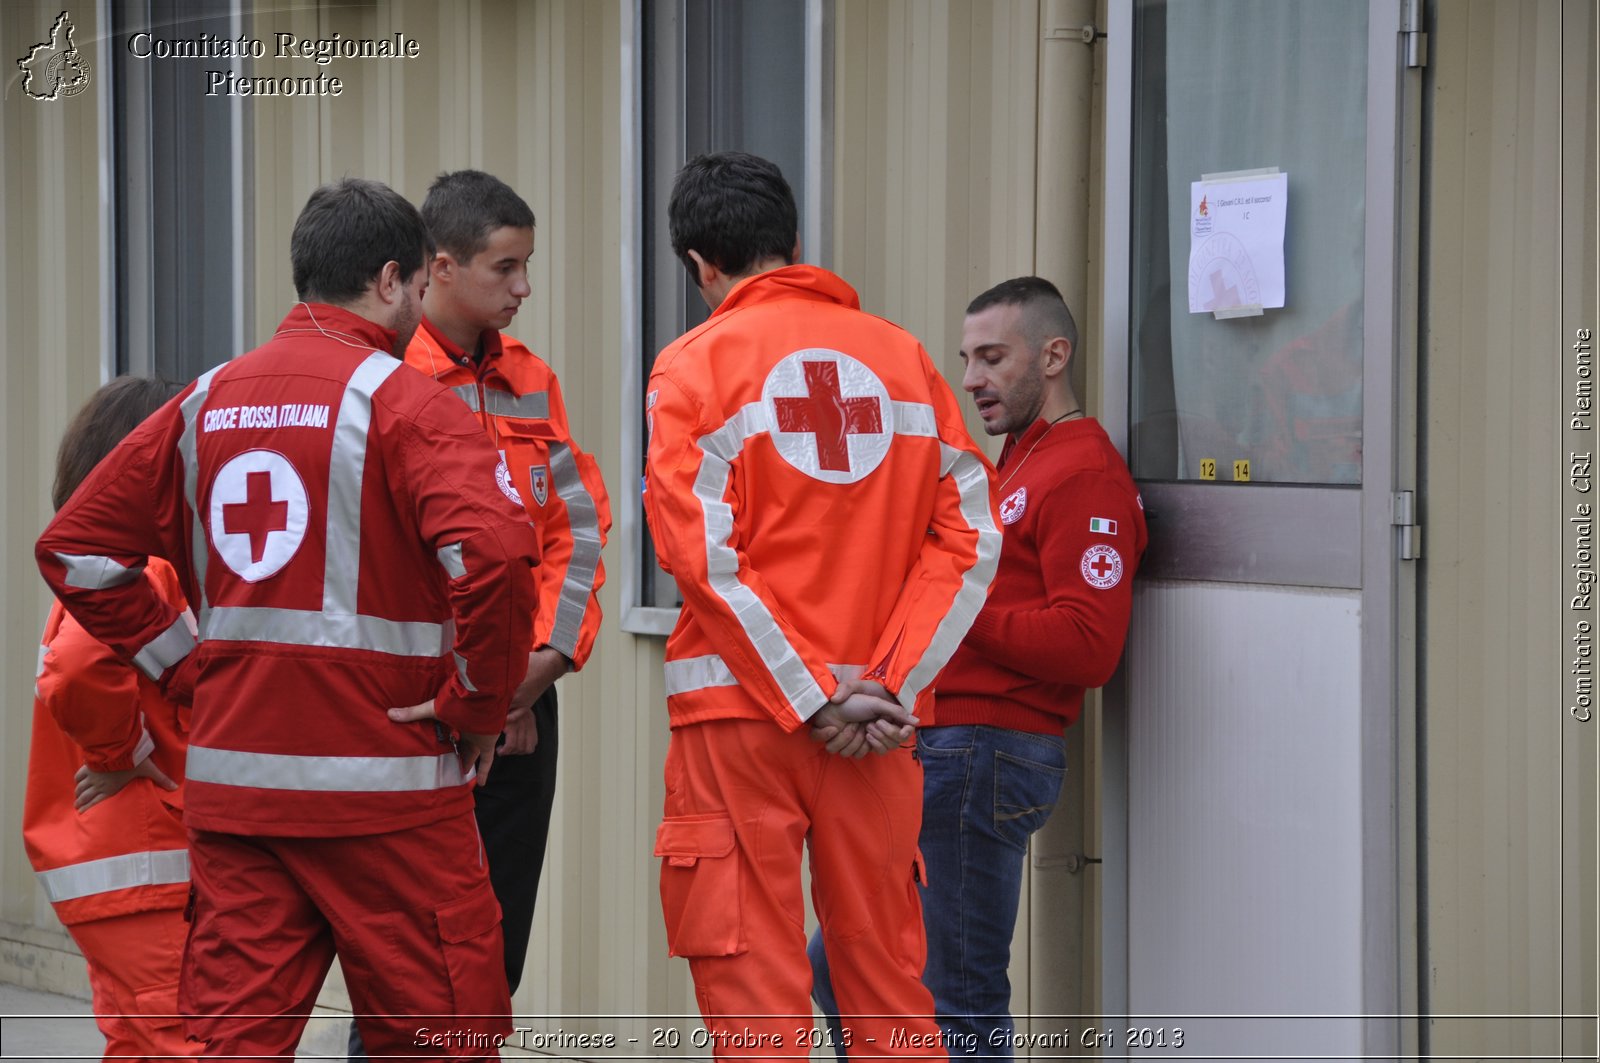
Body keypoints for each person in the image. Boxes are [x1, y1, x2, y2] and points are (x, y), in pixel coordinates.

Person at [35, 177, 539, 1059]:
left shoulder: (199, 405)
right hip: (390, 800)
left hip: (242, 804)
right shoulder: (411, 406)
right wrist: (476, 704)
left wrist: (185, 666)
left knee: (232, 1046)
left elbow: (74, 549)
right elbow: (497, 556)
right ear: (391, 280)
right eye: (421, 286)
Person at [643, 151, 1002, 1059]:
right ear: (795, 242)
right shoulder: (903, 359)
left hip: (741, 722)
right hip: (878, 730)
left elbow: (699, 553)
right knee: (889, 988)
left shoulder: (692, 367)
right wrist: (881, 682)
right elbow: (969, 537)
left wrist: (810, 692)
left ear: (699, 264)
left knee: (757, 997)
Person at [808, 276, 1148, 1058]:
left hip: (985, 756)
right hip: (947, 751)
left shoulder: (1082, 470)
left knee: (957, 1001)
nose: (971, 379)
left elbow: (1087, 643)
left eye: (993, 357)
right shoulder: (1016, 464)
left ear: (1053, 355)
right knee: (844, 963)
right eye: (966, 359)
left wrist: (952, 611)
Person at [348, 169, 612, 1060]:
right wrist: (476, 690)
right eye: (506, 268)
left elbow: (576, 529)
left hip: (524, 706)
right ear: (442, 266)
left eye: (527, 266)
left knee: (493, 958)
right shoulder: (381, 381)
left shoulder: (532, 381)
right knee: (403, 970)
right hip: (420, 715)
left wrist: (538, 667)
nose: (523, 288)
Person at [25, 375, 194, 1062]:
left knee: (135, 1045)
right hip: (147, 871)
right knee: (192, 1045)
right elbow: (75, 666)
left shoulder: (92, 576)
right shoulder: (140, 570)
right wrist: (122, 752)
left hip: (109, 873)